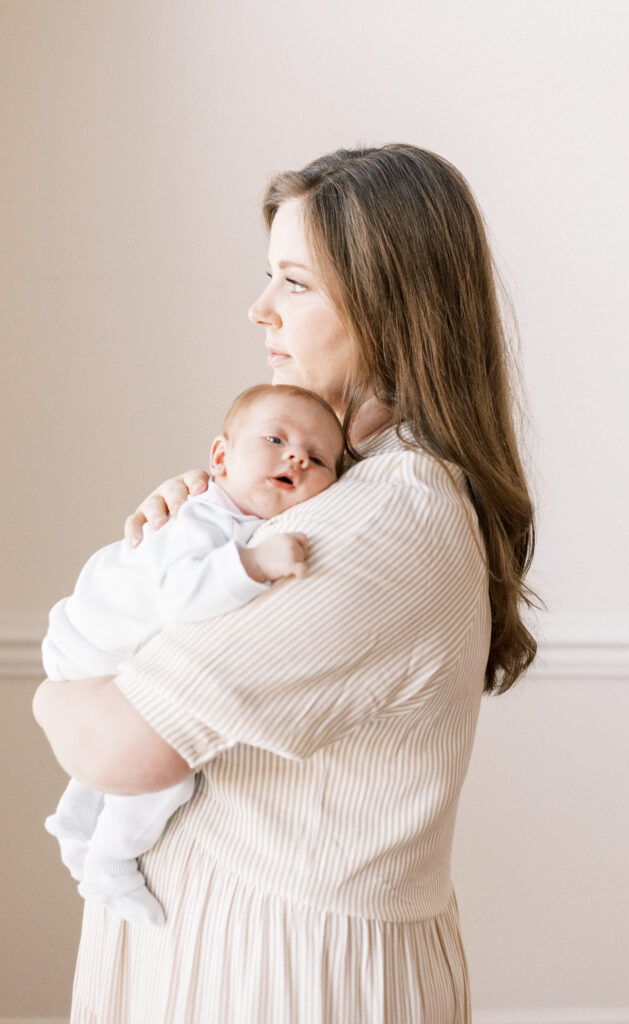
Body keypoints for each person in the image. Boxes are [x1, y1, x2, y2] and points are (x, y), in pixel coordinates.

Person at [34, 144, 537, 1024]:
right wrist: (181, 545)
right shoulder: (330, 493)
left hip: (278, 975)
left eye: (294, 284)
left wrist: (56, 687)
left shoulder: (380, 520)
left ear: (390, 307)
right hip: (230, 946)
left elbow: (118, 744)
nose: (259, 309)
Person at [42, 384, 344, 926]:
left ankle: (75, 819)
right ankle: (110, 861)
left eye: (318, 458)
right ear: (221, 458)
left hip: (94, 641)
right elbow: (184, 596)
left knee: (116, 746)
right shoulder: (206, 520)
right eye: (275, 439)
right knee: (165, 769)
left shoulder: (232, 514)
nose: (296, 456)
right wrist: (256, 565)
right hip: (93, 644)